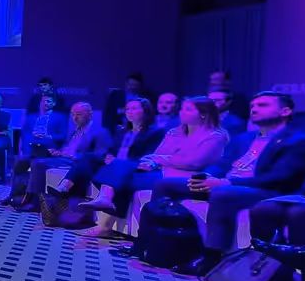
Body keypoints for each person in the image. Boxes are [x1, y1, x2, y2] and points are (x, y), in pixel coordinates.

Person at [152, 92, 305, 274]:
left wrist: (226, 182)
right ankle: (158, 243)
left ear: (285, 111)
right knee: (165, 184)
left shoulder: (298, 140)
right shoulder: (245, 137)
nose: (255, 109)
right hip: (227, 183)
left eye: (263, 105)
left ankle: (211, 257)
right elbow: (222, 164)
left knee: (223, 194)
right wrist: (205, 177)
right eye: (253, 106)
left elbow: (280, 178)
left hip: (266, 191)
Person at [77, 97, 229, 237]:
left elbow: (194, 162)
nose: (182, 112)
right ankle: (105, 215)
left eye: (188, 110)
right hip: (162, 171)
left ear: (203, 114)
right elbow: (156, 154)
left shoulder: (215, 136)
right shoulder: (175, 132)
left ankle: (105, 216)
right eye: (182, 108)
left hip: (186, 178)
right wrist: (152, 162)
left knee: (121, 175)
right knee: (121, 170)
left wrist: (161, 159)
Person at [13, 102, 112, 212]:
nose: (75, 117)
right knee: (24, 160)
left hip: (75, 163)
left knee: (38, 164)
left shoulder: (100, 132)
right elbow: (67, 146)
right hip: (63, 158)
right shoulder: (76, 129)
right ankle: (16, 195)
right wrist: (58, 151)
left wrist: (73, 155)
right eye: (72, 114)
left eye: (78, 114)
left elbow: (99, 156)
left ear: (90, 114)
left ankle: (35, 202)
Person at [57, 98, 163, 200]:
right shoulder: (122, 131)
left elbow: (148, 157)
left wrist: (117, 161)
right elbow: (112, 150)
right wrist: (109, 156)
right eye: (127, 109)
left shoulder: (155, 132)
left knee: (118, 164)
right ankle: (65, 185)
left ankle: (102, 198)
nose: (129, 112)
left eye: (134, 108)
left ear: (145, 111)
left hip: (131, 167)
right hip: (114, 164)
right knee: (88, 157)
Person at [3, 94, 67, 205]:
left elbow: (63, 136)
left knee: (36, 165)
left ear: (54, 103)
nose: (45, 104)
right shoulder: (32, 117)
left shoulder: (59, 117)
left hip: (48, 150)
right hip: (32, 149)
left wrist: (48, 136)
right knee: (19, 164)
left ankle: (29, 199)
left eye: (48, 101)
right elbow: (25, 134)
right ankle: (13, 195)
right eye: (43, 101)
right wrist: (26, 149)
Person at [249, 176, 305, 246]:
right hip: (300, 194)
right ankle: (265, 250)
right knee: (263, 210)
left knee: (298, 213)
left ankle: (299, 253)